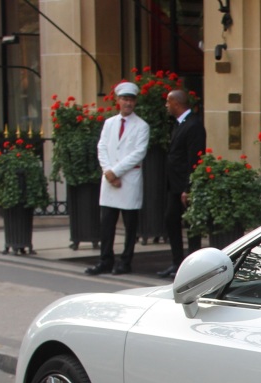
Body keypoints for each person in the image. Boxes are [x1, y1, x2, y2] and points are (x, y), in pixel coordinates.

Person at [85, 81, 150, 276]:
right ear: (118, 101)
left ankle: (125, 262)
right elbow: (102, 147)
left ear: (135, 102)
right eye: (124, 99)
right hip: (110, 179)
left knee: (130, 226)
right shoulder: (109, 123)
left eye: (131, 99)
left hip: (128, 179)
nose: (127, 103)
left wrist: (117, 172)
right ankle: (105, 260)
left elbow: (138, 153)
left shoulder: (142, 126)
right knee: (106, 224)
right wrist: (108, 172)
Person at [158, 89, 206, 278]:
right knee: (171, 220)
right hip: (174, 184)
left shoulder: (193, 125)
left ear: (176, 103)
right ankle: (177, 263)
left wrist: (189, 188)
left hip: (184, 186)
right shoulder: (180, 123)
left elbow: (194, 158)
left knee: (191, 227)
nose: (166, 106)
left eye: (168, 103)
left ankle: (193, 267)